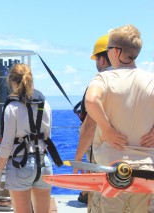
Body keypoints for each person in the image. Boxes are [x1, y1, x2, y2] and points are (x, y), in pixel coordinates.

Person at [85, 24, 154, 213]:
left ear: (115, 51)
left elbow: (91, 100)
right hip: (146, 172)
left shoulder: (104, 79)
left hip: (113, 172)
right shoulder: (151, 79)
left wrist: (107, 129)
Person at [0, 63, 53, 213]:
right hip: (44, 163)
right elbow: (47, 137)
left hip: (20, 165)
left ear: (13, 82)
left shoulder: (12, 108)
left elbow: (7, 144)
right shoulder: (45, 104)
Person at [74, 34, 112, 205]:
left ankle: (85, 194)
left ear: (103, 60)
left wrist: (78, 157)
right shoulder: (143, 81)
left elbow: (90, 125)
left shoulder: (99, 85)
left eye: (96, 58)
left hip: (102, 152)